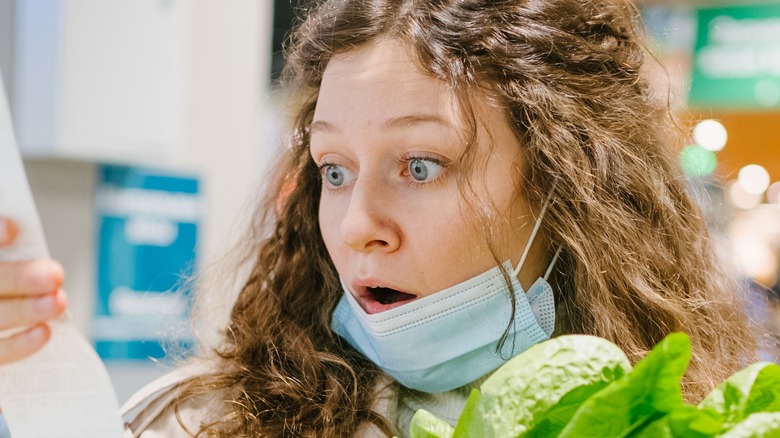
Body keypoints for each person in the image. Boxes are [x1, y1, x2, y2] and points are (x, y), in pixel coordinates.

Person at [0, 0, 761, 436]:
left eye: (420, 167)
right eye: (335, 171)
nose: (357, 226)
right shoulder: (206, 421)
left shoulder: (691, 422)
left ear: (573, 189)